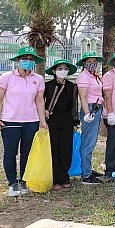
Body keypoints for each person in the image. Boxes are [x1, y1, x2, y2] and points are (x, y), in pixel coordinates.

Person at [0, 46, 48, 197]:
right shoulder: (6, 77)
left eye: (30, 59)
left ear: (34, 62)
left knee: (27, 153)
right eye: (24, 59)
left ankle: (23, 180)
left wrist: (42, 120)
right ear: (18, 60)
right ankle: (12, 182)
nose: (27, 62)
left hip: (31, 121)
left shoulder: (38, 79)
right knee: (10, 153)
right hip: (10, 122)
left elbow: (39, 101)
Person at [44, 59, 79, 190]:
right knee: (54, 148)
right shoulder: (48, 86)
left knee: (65, 148)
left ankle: (64, 176)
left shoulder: (72, 86)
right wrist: (44, 114)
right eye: (60, 68)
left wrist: (75, 122)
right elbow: (42, 102)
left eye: (65, 69)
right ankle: (55, 178)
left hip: (67, 119)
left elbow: (74, 106)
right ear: (54, 71)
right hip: (52, 119)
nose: (63, 71)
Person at [75, 50, 105, 185]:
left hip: (97, 108)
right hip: (90, 109)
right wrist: (87, 113)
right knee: (88, 142)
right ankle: (86, 175)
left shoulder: (94, 76)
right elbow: (83, 97)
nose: (92, 64)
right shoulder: (84, 77)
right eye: (89, 62)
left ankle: (87, 168)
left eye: (94, 62)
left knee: (91, 142)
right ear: (84, 64)